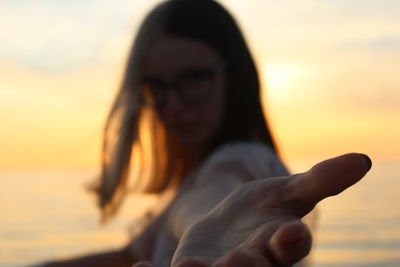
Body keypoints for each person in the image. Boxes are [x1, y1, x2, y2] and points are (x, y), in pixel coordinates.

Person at [37, 0, 372, 266]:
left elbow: (211, 204)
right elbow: (128, 257)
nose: (173, 104)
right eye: (156, 86)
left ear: (234, 77)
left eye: (193, 77)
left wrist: (215, 233)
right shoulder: (191, 180)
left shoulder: (241, 161)